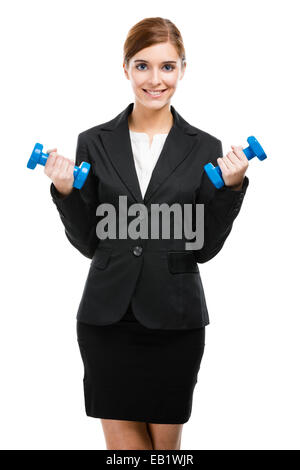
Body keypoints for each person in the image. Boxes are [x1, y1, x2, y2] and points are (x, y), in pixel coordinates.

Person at [45, 17, 249, 450]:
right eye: (143, 66)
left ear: (182, 70)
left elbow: (205, 247)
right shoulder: (94, 142)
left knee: (165, 452)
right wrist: (65, 192)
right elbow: (88, 242)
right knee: (124, 452)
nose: (155, 80)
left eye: (167, 67)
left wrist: (231, 188)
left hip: (175, 320)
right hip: (107, 318)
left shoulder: (204, 147)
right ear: (125, 69)